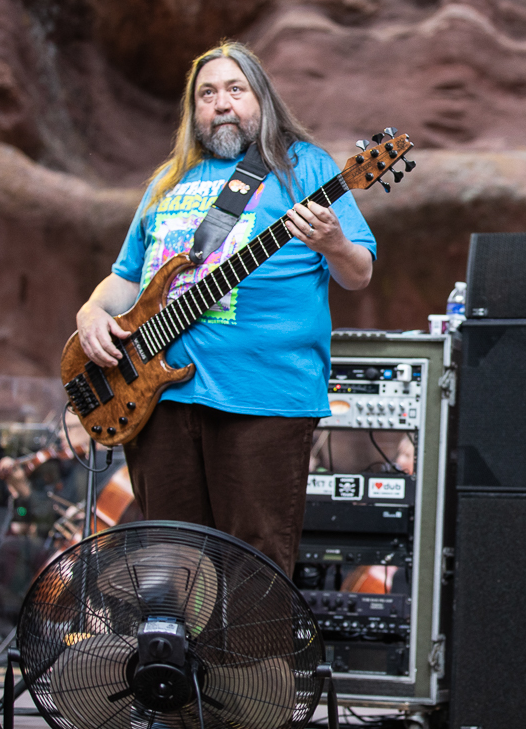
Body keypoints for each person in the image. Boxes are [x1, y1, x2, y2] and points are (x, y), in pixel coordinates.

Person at [74, 41, 376, 574]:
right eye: (206, 93)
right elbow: (125, 278)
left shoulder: (303, 167)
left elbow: (358, 273)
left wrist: (333, 242)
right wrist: (91, 314)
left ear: (261, 99)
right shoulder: (166, 182)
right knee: (170, 561)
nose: (221, 103)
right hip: (156, 399)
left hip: (262, 397)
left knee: (252, 565)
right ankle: (173, 660)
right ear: (194, 111)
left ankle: (251, 664)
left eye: (235, 89)